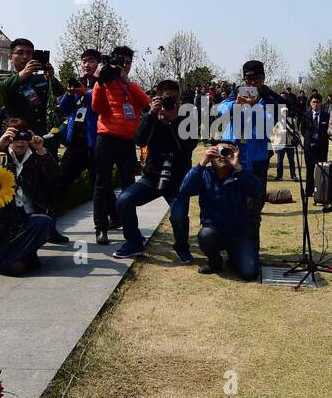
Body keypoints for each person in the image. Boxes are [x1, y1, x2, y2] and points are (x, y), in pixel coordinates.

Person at [112, 80, 197, 262]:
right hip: (151, 178)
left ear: (179, 100)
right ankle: (134, 242)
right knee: (124, 200)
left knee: (179, 216)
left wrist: (172, 121)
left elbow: (188, 147)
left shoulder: (187, 120)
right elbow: (139, 141)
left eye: (173, 98)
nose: (170, 102)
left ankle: (182, 247)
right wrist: (152, 114)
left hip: (177, 181)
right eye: (165, 98)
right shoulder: (151, 119)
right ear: (157, 99)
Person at [0, 119, 59, 276]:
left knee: (45, 222)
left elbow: (56, 176)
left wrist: (41, 150)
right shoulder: (0, 157)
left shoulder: (35, 158)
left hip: (26, 218)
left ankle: (3, 258)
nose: (20, 141)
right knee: (18, 267)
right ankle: (9, 257)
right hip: (2, 220)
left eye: (24, 136)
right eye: (15, 136)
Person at [215, 60, 283, 253]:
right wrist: (237, 104)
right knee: (227, 203)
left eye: (256, 79)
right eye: (248, 79)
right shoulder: (235, 93)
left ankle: (251, 251)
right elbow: (221, 110)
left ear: (263, 79)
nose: (251, 84)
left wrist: (254, 106)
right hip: (230, 157)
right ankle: (228, 249)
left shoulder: (268, 98)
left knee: (254, 207)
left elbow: (270, 122)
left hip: (257, 160)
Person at [89, 46, 149, 245]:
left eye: (129, 63)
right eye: (122, 62)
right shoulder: (104, 82)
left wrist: (127, 80)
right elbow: (97, 108)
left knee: (128, 187)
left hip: (127, 141)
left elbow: (144, 103)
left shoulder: (131, 85)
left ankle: (130, 229)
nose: (125, 66)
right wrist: (99, 82)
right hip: (105, 138)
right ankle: (101, 229)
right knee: (101, 184)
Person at [178, 142, 264, 280]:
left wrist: (238, 167)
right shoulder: (205, 174)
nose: (223, 156)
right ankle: (214, 261)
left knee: (249, 273)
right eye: (218, 152)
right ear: (212, 156)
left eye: (227, 152)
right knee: (205, 235)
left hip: (238, 234)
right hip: (214, 231)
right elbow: (184, 189)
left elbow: (257, 190)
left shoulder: (240, 175)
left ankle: (234, 258)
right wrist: (202, 163)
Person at [56, 48, 101, 208]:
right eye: (84, 61)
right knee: (62, 180)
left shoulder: (103, 85)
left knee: (100, 185)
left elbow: (102, 106)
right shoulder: (77, 83)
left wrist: (86, 93)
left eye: (91, 61)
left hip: (95, 144)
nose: (87, 65)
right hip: (75, 142)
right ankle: (50, 216)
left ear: (98, 64)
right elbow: (64, 109)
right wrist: (69, 94)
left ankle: (113, 217)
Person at [0, 37, 63, 141]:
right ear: (10, 57)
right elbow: (0, 90)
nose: (25, 57)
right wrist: (23, 74)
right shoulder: (5, 79)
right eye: (20, 53)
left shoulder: (41, 79)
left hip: (41, 135)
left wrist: (51, 77)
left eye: (29, 53)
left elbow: (59, 92)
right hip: (18, 136)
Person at [300, 92, 330, 198]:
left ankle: (321, 190)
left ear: (321, 103)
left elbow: (328, 129)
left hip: (322, 146)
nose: (315, 104)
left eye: (317, 102)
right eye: (313, 102)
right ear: (310, 103)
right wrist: (309, 138)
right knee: (309, 169)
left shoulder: (326, 115)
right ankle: (309, 191)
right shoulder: (306, 114)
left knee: (321, 169)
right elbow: (302, 129)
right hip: (309, 146)